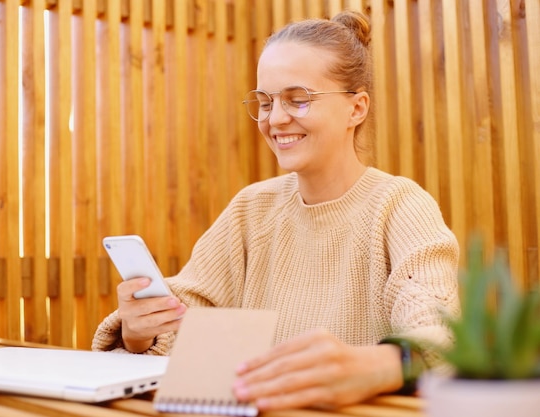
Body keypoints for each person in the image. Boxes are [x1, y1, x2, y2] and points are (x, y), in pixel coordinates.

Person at [92, 10, 459, 411]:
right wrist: (139, 332)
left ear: (357, 108)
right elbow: (185, 328)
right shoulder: (251, 210)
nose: (276, 119)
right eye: (265, 102)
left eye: (298, 100)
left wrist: (375, 365)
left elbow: (439, 334)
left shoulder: (401, 206)